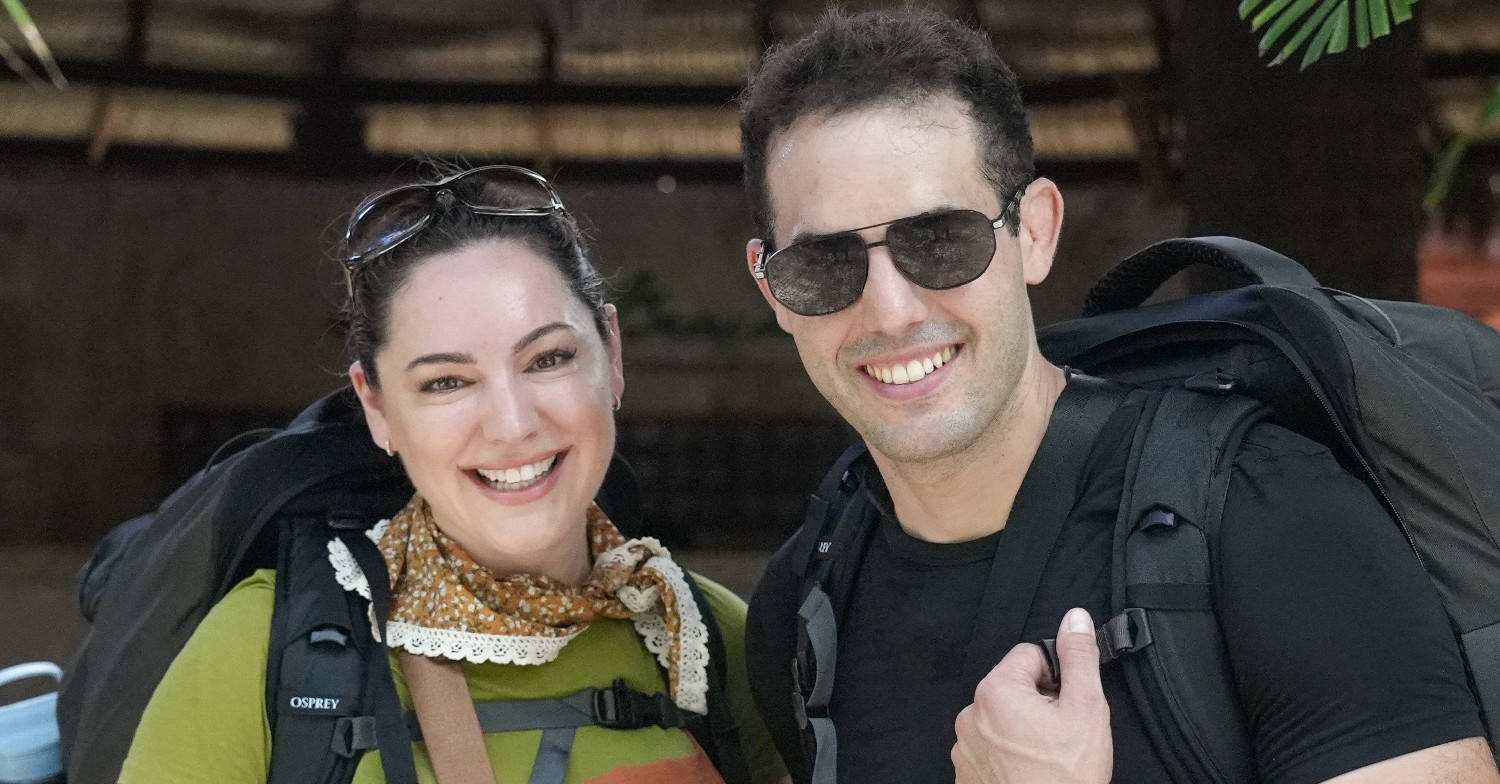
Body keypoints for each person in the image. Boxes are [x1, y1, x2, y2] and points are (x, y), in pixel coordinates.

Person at [736, 9, 1499, 784]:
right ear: (772, 288)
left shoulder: (1270, 520)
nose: (892, 310)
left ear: (1034, 231)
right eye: (824, 265)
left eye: (940, 242)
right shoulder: (804, 611)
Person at [119, 164, 786, 784]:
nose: (511, 423)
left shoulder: (707, 641)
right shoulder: (264, 651)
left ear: (611, 355)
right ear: (376, 404)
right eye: (445, 381)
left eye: (548, 359)